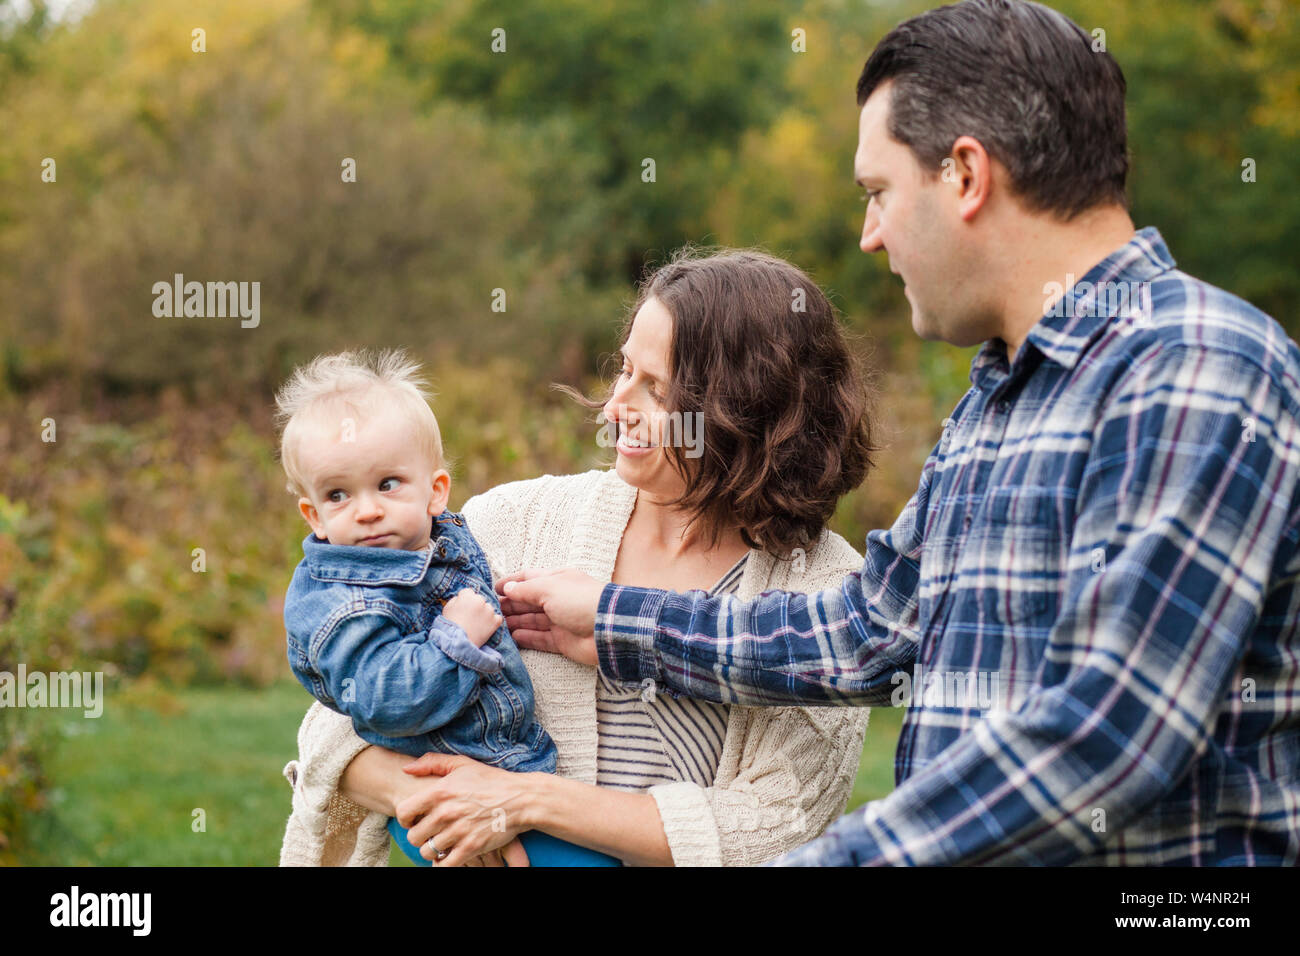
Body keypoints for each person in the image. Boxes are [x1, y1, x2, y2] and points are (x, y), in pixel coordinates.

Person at [502, 0, 1300, 866]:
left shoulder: (1192, 368)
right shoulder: (997, 401)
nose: (869, 234)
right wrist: (619, 625)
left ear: (966, 174)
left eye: (879, 193)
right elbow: (866, 632)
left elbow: (1105, 737)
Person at [278, 249, 876, 866]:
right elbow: (336, 724)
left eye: (657, 389)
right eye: (624, 371)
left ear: (747, 409)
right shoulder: (512, 522)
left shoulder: (829, 596)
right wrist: (444, 804)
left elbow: (775, 824)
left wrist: (526, 802)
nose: (617, 406)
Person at [275, 348, 617, 865]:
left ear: (436, 492)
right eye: (338, 494)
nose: (367, 510)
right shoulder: (344, 603)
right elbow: (383, 701)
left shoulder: (437, 540)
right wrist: (455, 636)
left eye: (388, 484)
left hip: (507, 768)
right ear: (314, 515)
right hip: (448, 781)